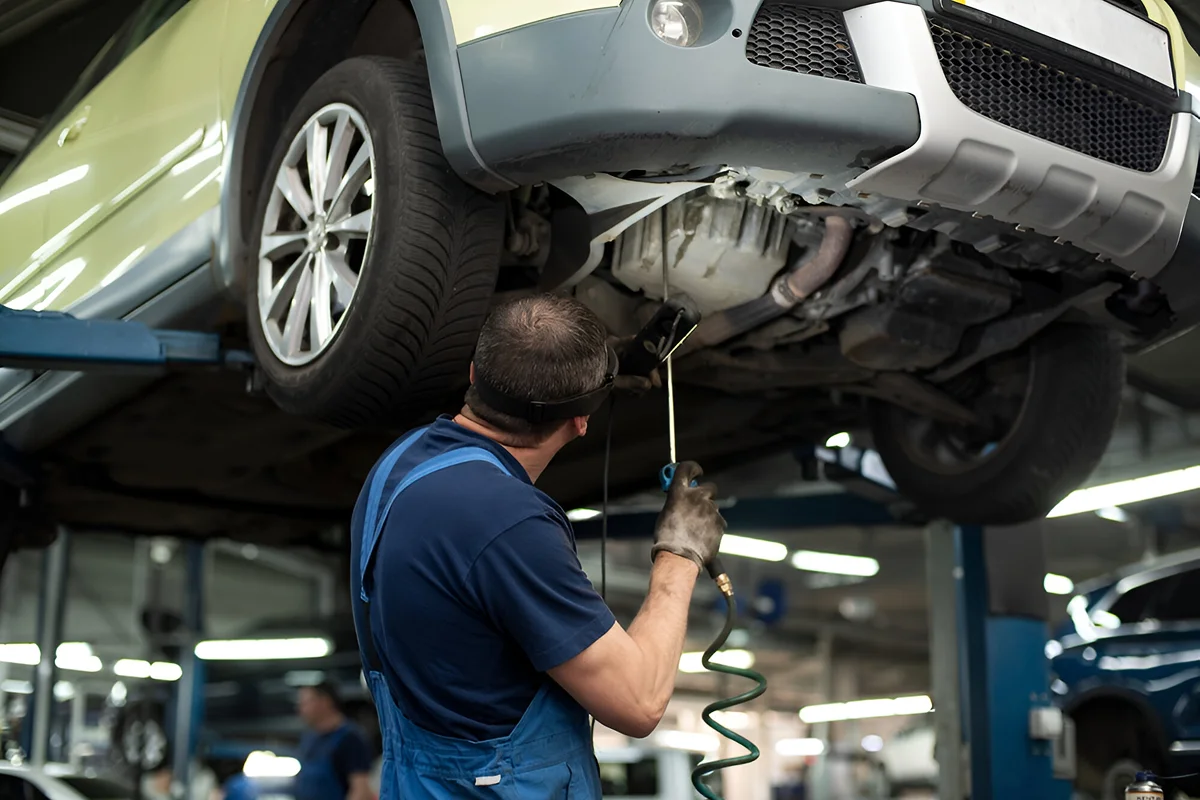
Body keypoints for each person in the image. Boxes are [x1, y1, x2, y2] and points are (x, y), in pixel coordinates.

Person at [349, 293, 727, 798]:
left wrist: (582, 371)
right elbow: (638, 703)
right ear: (581, 421)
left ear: (474, 375)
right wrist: (680, 554)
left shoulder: (399, 465)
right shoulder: (508, 523)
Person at [292, 682, 375, 800]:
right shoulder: (310, 738)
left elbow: (360, 790)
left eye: (305, 703)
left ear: (325, 702)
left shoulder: (350, 739)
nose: (300, 709)